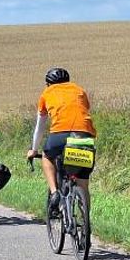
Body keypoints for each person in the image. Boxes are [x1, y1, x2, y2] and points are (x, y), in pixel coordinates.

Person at [26, 67, 96, 216]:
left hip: (60, 134)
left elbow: (40, 126)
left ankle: (54, 192)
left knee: (47, 156)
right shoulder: (79, 90)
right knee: (83, 183)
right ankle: (85, 223)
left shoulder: (47, 93)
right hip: (84, 134)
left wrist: (34, 149)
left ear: (48, 84)